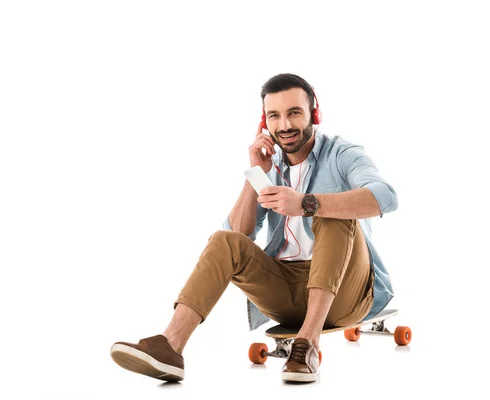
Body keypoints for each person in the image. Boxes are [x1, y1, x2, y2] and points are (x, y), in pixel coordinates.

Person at [110, 73, 398, 383]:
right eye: (275, 116)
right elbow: (237, 236)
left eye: (294, 113)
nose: (284, 125)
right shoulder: (270, 164)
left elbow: (386, 196)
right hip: (285, 292)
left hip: (345, 293)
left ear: (315, 114)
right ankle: (170, 346)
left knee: (328, 213)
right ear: (265, 122)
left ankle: (307, 345)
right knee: (224, 240)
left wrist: (306, 203)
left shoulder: (342, 154)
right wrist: (255, 174)